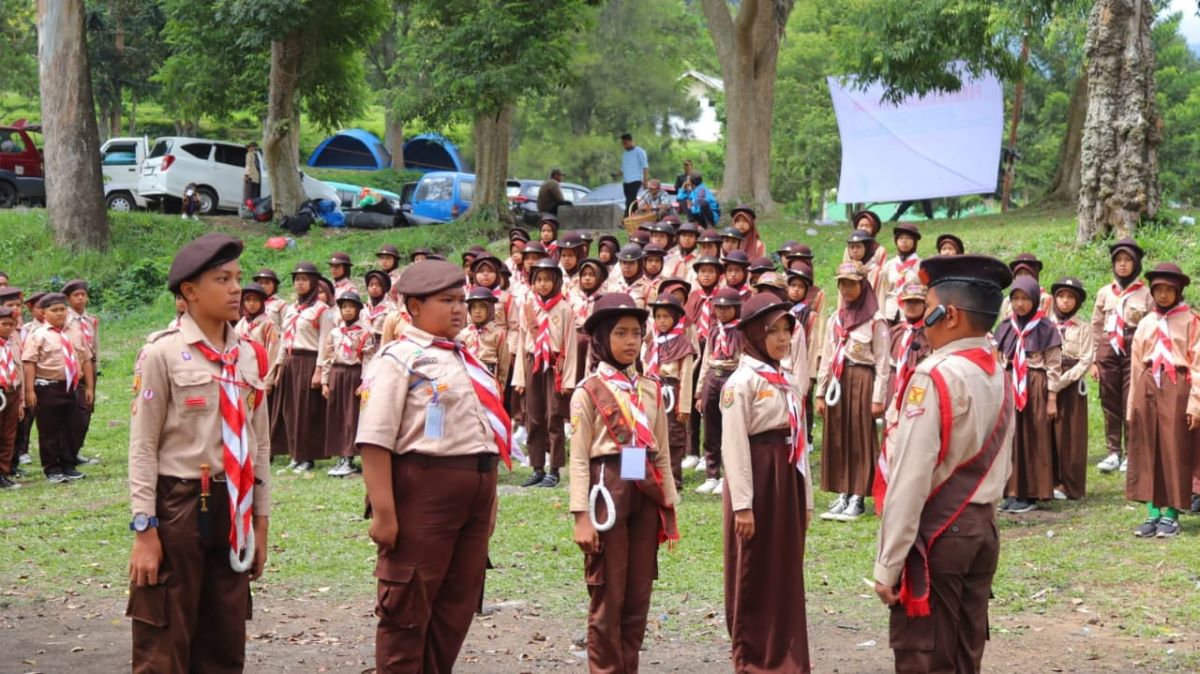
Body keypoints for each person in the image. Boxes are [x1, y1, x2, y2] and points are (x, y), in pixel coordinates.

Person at [126, 233, 272, 673]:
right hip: (178, 505)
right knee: (165, 635)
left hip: (234, 504)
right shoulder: (163, 353)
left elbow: (259, 444)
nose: (235, 289)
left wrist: (260, 524)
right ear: (189, 292)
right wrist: (144, 531)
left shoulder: (249, 356)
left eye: (237, 278)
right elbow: (143, 446)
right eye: (222, 279)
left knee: (225, 636)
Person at [356, 259, 511, 674]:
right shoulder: (399, 358)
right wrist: (384, 513)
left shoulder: (467, 358)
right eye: (447, 300)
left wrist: (489, 502)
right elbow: (374, 440)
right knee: (407, 606)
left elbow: (485, 437)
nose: (459, 308)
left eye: (461, 299)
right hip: (424, 492)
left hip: (474, 493)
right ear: (414, 307)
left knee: (455, 605)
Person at [872, 254, 1015, 674]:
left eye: (928, 308)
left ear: (948, 314)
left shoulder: (935, 375)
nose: (922, 321)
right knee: (964, 655)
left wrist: (888, 563)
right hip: (982, 528)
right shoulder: (999, 369)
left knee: (927, 657)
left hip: (939, 537)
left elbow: (910, 479)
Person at [569, 293, 680, 672]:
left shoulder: (650, 387)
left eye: (636, 333)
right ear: (602, 338)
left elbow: (661, 449)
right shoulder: (588, 391)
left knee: (637, 596)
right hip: (607, 490)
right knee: (608, 595)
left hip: (645, 491)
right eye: (621, 333)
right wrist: (580, 515)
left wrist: (668, 501)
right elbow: (580, 456)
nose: (631, 341)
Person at [721, 293, 813, 672]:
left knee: (785, 567)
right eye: (771, 331)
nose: (781, 339)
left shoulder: (787, 379)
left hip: (786, 479)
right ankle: (754, 656)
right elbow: (734, 446)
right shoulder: (740, 382)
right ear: (754, 335)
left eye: (786, 330)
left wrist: (805, 498)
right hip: (757, 480)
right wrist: (742, 504)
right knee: (753, 567)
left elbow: (801, 437)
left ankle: (786, 655)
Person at [1126, 262, 1200, 539]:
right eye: (1159, 289)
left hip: (1176, 386)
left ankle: (1171, 514)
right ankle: (1152, 512)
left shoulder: (1191, 321)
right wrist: (1132, 403)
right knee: (1147, 448)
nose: (1164, 295)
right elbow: (1135, 365)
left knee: (1173, 449)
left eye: (1170, 290)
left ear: (1179, 291)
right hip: (1147, 385)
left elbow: (1197, 365)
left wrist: (1195, 404)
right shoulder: (1146, 323)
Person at [815, 262, 889, 522]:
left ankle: (858, 495)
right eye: (842, 283)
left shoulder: (875, 320)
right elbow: (826, 356)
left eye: (852, 283)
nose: (846, 288)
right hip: (838, 379)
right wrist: (820, 393)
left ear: (863, 284)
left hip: (862, 379)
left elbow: (882, 362)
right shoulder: (835, 319)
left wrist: (878, 397)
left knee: (859, 437)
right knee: (838, 436)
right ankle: (842, 492)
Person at [995, 277, 1062, 515]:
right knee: (1012, 437)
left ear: (1035, 299)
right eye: (1015, 298)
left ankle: (1033, 491)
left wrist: (1052, 397)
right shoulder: (1005, 327)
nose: (1020, 304)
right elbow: (997, 359)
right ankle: (1013, 490)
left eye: (1025, 299)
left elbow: (1054, 365)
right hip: (1011, 381)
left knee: (1033, 436)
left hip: (1035, 384)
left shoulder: (1046, 327)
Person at [513, 258, 579, 488]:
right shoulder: (527, 308)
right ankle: (537, 467)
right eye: (538, 279)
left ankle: (555, 469)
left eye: (547, 280)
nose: (542, 284)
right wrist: (520, 377)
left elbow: (570, 345)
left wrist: (568, 379)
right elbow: (522, 343)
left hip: (554, 367)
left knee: (554, 417)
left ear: (557, 281)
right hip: (533, 364)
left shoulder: (565, 308)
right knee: (533, 416)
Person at [1091, 239, 1151, 474]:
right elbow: (1096, 326)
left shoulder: (1145, 293)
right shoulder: (1105, 292)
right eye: (1118, 261)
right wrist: (1095, 359)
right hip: (1108, 346)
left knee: (1131, 398)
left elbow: (1151, 326)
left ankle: (1131, 453)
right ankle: (1113, 451)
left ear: (1136, 264)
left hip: (1134, 345)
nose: (1123, 265)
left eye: (1127, 261)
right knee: (1109, 398)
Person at [23, 292, 94, 483]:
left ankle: (68, 464)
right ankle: (52, 468)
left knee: (75, 426)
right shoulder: (38, 335)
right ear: (44, 313)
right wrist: (29, 391)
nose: (60, 314)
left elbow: (86, 359)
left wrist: (89, 387)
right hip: (48, 387)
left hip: (73, 385)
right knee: (50, 429)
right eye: (54, 310)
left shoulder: (76, 332)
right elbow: (29, 363)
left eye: (63, 309)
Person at [273, 262, 334, 474]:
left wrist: (319, 370)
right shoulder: (291, 309)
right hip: (291, 361)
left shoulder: (323, 310)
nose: (299, 283)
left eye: (304, 279)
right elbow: (283, 339)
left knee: (306, 410)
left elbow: (325, 342)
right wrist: (279, 366)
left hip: (308, 361)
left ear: (314, 283)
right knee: (289, 410)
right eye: (296, 279)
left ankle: (307, 457)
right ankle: (294, 455)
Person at [644, 293, 697, 490]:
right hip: (651, 388)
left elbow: (686, 376)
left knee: (673, 435)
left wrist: (684, 406)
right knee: (651, 431)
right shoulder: (652, 341)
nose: (662, 321)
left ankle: (674, 479)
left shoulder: (683, 344)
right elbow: (643, 365)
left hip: (672, 391)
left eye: (666, 317)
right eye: (658, 317)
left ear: (675, 318)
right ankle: (653, 474)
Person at [695, 287, 744, 495]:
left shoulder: (742, 331)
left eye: (727, 308)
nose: (722, 312)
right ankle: (711, 474)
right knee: (711, 427)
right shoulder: (714, 329)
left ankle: (729, 474)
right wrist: (699, 391)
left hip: (731, 375)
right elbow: (706, 359)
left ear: (736, 308)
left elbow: (743, 358)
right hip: (712, 377)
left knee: (730, 428)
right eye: (719, 308)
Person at [1048, 278, 1092, 501]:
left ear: (1077, 302)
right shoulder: (1046, 324)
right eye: (1061, 296)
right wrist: (1049, 382)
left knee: (1071, 434)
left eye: (1070, 297)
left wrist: (1060, 382)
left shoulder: (1083, 327)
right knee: (1048, 433)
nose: (1065, 301)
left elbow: (1085, 361)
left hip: (1071, 384)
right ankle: (1051, 480)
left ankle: (1070, 484)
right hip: (1047, 378)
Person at [63, 278, 98, 466]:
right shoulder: (64, 320)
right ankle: (67, 452)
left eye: (83, 295)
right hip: (73, 368)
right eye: (76, 295)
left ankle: (76, 449)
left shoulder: (91, 319)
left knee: (87, 410)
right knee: (74, 412)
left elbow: (94, 347)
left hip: (89, 366)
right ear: (68, 299)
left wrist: (95, 368)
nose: (81, 299)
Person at [877, 223, 922, 323]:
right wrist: (881, 315)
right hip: (890, 313)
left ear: (915, 241)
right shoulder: (889, 265)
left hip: (911, 314)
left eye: (908, 238)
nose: (904, 241)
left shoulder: (921, 265)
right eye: (900, 238)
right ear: (896, 241)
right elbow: (882, 292)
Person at [0, 307, 24, 489]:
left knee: (9, 435)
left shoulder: (11, 344)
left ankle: (3, 472)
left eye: (11, 325)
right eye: (4, 324)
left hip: (12, 392)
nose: (8, 328)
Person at [607, 244, 654, 308]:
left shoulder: (648, 287)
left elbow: (651, 315)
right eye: (624, 262)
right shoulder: (614, 284)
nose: (627, 267)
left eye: (632, 263)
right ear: (620, 264)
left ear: (639, 264)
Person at [620, 133, 649, 213]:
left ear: (631, 141)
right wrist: (616, 174)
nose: (624, 146)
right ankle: (635, 216)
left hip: (636, 180)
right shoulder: (625, 154)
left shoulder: (640, 152)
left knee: (630, 201)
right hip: (626, 182)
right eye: (623, 144)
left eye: (626, 143)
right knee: (631, 201)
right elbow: (623, 168)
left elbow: (645, 166)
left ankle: (625, 219)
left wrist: (645, 181)